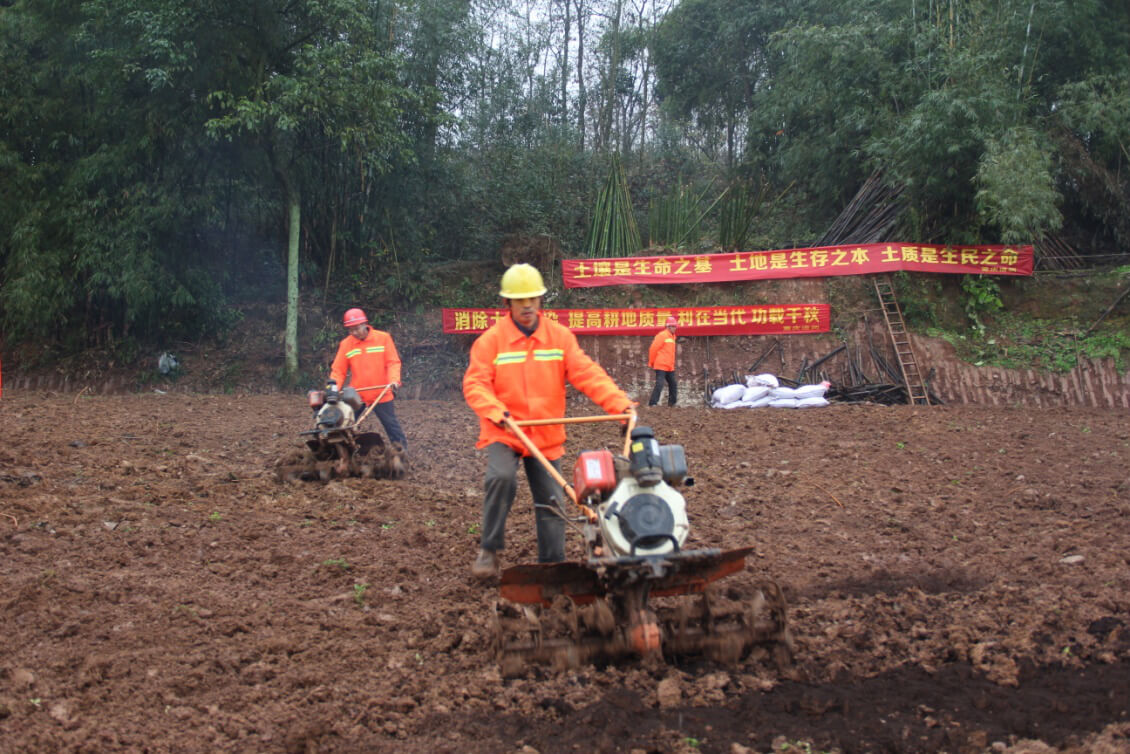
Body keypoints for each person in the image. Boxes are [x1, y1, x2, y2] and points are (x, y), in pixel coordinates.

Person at [463, 263, 634, 579]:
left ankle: (551, 567)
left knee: (554, 501)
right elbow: (476, 383)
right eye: (520, 300)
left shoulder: (559, 337)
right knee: (501, 478)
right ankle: (489, 548)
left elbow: (586, 373)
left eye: (533, 299)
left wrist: (619, 404)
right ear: (508, 304)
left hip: (545, 432)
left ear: (541, 301)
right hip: (507, 430)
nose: (527, 306)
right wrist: (496, 412)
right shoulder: (490, 341)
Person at [328, 307, 408, 449]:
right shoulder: (346, 344)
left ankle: (402, 454)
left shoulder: (383, 338)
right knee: (344, 425)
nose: (354, 332)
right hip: (357, 395)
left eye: (357, 328)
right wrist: (333, 388)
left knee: (391, 426)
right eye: (350, 329)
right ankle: (342, 455)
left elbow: (392, 362)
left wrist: (394, 380)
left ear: (365, 324)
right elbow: (338, 370)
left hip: (381, 393)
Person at [647, 315, 678, 406]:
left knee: (673, 384)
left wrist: (671, 365)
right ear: (668, 327)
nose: (674, 328)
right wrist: (651, 362)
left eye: (675, 326)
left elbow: (670, 353)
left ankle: (672, 403)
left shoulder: (672, 337)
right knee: (659, 384)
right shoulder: (662, 335)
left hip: (669, 366)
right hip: (661, 365)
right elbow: (653, 349)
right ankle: (653, 403)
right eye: (673, 326)